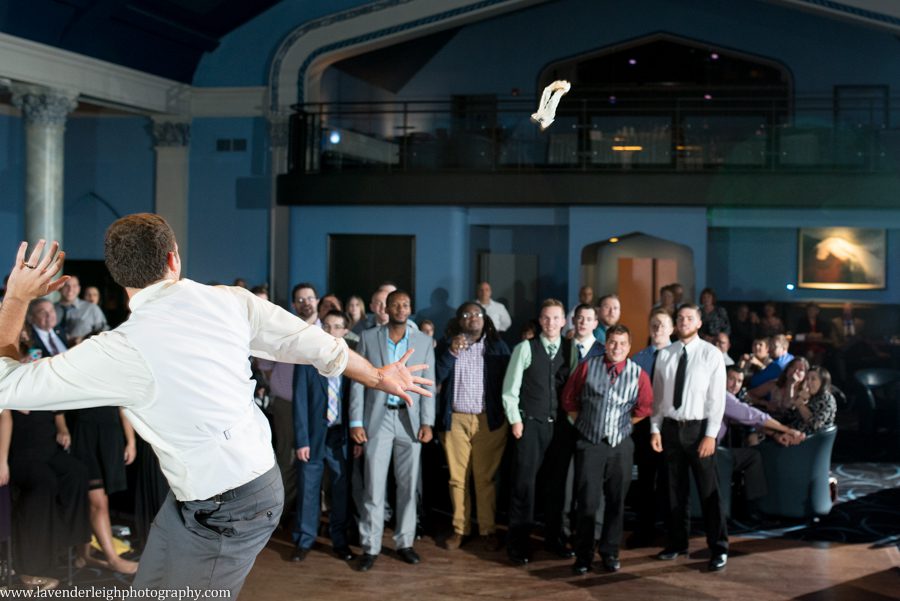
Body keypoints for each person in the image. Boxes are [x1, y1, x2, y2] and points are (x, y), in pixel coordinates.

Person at [0, 216, 432, 596]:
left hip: (233, 505)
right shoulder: (230, 301)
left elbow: (7, 384)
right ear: (174, 259)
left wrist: (17, 297)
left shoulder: (119, 350)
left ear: (118, 276)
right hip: (205, 497)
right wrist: (378, 375)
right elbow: (316, 344)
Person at [349, 290, 435, 572]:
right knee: (373, 486)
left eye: (406, 304)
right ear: (385, 308)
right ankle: (370, 546)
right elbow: (359, 382)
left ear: (411, 308)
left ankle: (404, 542)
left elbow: (428, 384)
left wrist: (427, 422)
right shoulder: (368, 337)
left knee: (408, 487)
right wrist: (355, 422)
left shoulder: (423, 341)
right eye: (396, 304)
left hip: (410, 421)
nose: (401, 308)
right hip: (378, 419)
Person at [561, 325, 653, 574]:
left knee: (615, 501)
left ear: (629, 346)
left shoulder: (638, 374)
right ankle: (583, 555)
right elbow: (569, 399)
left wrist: (621, 425)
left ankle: (610, 553)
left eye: (622, 343)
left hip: (620, 445)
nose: (617, 348)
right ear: (606, 343)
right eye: (613, 342)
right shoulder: (587, 367)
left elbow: (644, 408)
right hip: (590, 443)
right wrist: (586, 422)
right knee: (587, 501)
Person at [650, 303, 729, 572]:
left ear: (698, 323)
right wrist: (655, 428)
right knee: (674, 491)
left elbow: (717, 400)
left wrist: (711, 434)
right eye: (680, 318)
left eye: (689, 318)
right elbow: (658, 398)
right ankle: (677, 543)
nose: (684, 321)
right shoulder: (665, 355)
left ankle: (719, 548)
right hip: (671, 429)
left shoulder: (711, 354)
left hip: (699, 430)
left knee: (709, 492)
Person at [434, 302, 510, 551]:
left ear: (485, 319)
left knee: (484, 479)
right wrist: (451, 353)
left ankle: (487, 530)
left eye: (477, 314)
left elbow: (509, 385)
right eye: (466, 315)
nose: (472, 318)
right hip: (455, 420)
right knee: (457, 479)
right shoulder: (447, 345)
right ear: (459, 321)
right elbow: (436, 376)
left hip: (488, 421)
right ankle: (460, 529)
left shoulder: (497, 347)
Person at [501, 299, 571, 565]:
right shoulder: (524, 348)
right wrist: (516, 420)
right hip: (530, 425)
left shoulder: (570, 348)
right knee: (524, 486)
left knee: (556, 488)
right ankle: (518, 545)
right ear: (540, 321)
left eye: (556, 318)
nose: (551, 323)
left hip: (560, 429)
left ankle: (554, 540)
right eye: (546, 318)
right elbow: (510, 389)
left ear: (564, 321)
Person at [291, 310, 355, 563]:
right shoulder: (308, 360)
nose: (330, 331)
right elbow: (299, 403)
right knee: (309, 488)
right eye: (326, 326)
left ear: (345, 332)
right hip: (314, 436)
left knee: (340, 489)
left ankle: (340, 541)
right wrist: (302, 440)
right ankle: (304, 540)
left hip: (340, 436)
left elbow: (356, 403)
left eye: (336, 326)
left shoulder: (352, 361)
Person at [629, 308, 673, 547]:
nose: (658, 329)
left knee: (669, 481)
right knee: (645, 481)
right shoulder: (638, 359)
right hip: (644, 426)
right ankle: (643, 531)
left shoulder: (680, 356)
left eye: (663, 324)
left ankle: (668, 532)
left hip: (672, 426)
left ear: (672, 329)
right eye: (654, 324)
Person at [54, 275, 109, 346]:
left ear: (79, 289)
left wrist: (85, 339)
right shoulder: (50, 309)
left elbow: (105, 332)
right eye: (66, 285)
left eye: (74, 286)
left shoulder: (92, 308)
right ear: (59, 288)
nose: (70, 289)